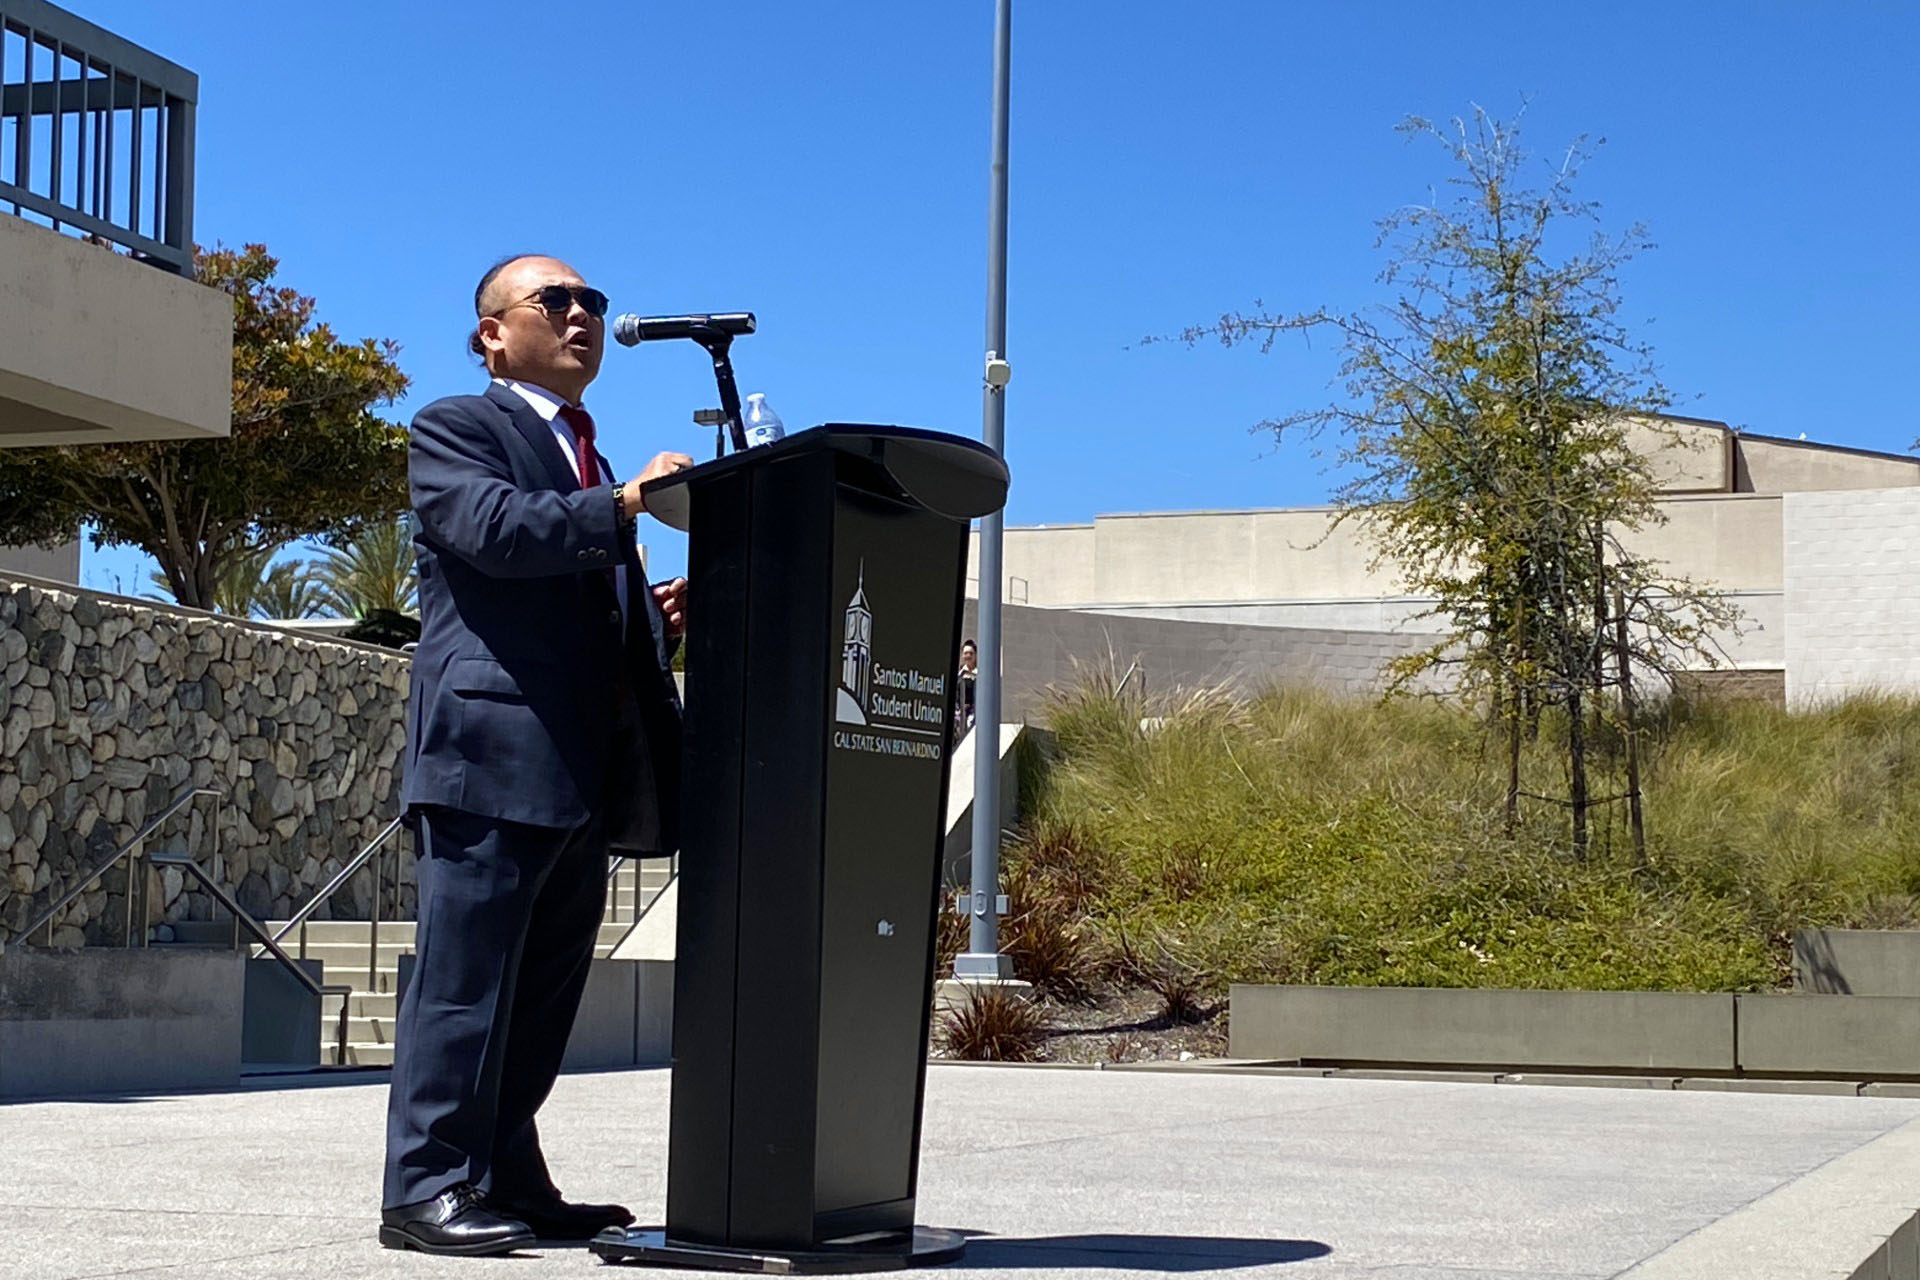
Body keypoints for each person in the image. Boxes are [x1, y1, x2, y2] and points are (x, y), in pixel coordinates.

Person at [379, 254, 692, 1257]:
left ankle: (508, 1174)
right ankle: (424, 1186)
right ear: (492, 332)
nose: (581, 314)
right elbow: (493, 530)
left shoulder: (586, 460)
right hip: (487, 755)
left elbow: (566, 598)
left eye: (592, 301)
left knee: (543, 994)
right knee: (465, 985)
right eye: (554, 300)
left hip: (578, 773)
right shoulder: (458, 426)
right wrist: (631, 510)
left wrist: (653, 613)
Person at [955, 638, 978, 743]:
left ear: (975, 655)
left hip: (974, 712)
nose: (968, 656)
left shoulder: (979, 674)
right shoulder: (959, 673)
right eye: (965, 653)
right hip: (959, 712)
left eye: (971, 653)